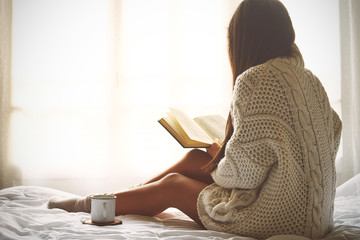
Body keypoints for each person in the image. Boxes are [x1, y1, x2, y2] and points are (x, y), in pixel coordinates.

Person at [48, 0, 342, 239]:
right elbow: (333, 130)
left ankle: (91, 204)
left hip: (280, 220)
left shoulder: (256, 79)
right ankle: (122, 198)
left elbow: (241, 176)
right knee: (194, 160)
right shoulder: (310, 80)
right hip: (316, 218)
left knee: (174, 184)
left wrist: (223, 157)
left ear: (243, 39)